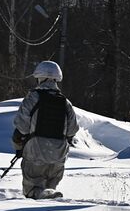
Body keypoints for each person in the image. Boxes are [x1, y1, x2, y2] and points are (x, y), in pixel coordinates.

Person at [11, 61, 79, 200]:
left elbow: (21, 129)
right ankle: (49, 199)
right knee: (50, 189)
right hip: (59, 155)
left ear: (39, 77)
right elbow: (72, 131)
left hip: (35, 153)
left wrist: (19, 148)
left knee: (33, 191)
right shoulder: (66, 103)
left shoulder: (32, 98)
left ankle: (38, 206)